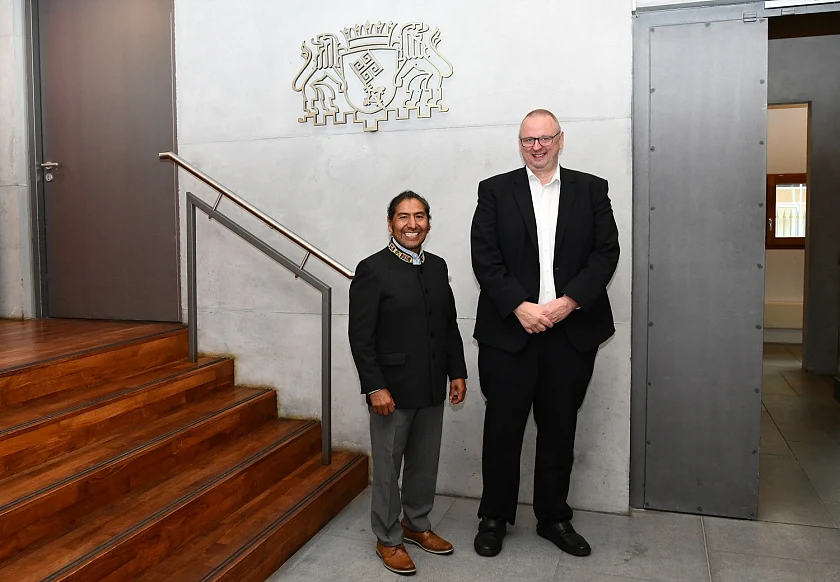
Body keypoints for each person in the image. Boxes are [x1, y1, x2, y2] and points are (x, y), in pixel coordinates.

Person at [470, 109, 619, 558]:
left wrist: (568, 302)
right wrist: (519, 305)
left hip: (569, 333)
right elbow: (485, 256)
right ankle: (494, 517)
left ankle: (553, 517)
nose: (536, 146)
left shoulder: (592, 190)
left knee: (559, 429)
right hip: (510, 332)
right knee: (502, 429)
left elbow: (606, 253)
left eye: (544, 138)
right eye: (527, 140)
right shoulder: (494, 190)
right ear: (520, 144)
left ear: (560, 139)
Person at [349, 191, 468, 576]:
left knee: (424, 463)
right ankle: (387, 538)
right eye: (403, 217)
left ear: (429, 223)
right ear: (390, 223)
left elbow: (448, 325)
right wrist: (374, 387)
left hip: (431, 385)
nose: (412, 224)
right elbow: (360, 337)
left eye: (419, 216)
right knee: (388, 467)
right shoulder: (372, 269)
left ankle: (416, 524)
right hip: (392, 391)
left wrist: (457, 371)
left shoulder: (437, 266)